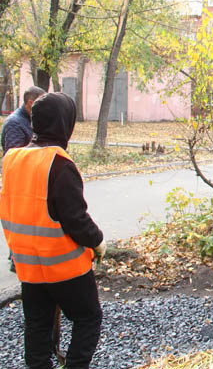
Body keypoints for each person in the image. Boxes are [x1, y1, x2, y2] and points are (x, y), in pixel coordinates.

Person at [0, 92, 106, 369]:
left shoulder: (11, 159)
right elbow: (76, 219)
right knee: (88, 318)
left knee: (37, 324)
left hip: (27, 265)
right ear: (64, 123)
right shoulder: (60, 165)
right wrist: (97, 240)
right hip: (64, 266)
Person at [2, 85, 45, 272]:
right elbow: (14, 156)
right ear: (30, 102)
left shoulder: (28, 120)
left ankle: (22, 257)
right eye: (40, 103)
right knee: (21, 222)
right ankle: (17, 259)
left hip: (29, 181)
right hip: (19, 184)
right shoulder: (15, 123)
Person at [1, 85, 46, 154]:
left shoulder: (33, 118)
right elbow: (14, 156)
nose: (45, 107)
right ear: (31, 103)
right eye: (43, 104)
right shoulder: (14, 123)